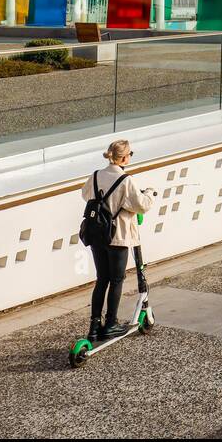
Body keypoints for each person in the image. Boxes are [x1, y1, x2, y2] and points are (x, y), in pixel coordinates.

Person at [80, 140, 155, 341]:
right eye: (130, 154)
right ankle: (111, 324)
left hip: (97, 236)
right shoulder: (126, 180)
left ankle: (95, 326)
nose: (130, 157)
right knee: (116, 280)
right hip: (117, 237)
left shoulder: (95, 175)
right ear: (123, 158)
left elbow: (85, 195)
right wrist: (149, 193)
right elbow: (142, 206)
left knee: (101, 279)